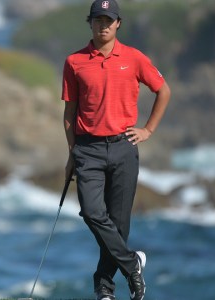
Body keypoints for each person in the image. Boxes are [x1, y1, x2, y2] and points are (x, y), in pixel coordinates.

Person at [61, 1, 171, 300]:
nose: (103, 25)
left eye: (109, 20)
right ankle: (132, 264)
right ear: (91, 22)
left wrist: (148, 129)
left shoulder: (134, 58)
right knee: (93, 212)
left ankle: (105, 290)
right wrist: (72, 154)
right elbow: (69, 114)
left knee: (119, 227)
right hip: (88, 150)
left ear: (118, 23)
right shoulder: (75, 62)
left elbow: (163, 90)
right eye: (98, 19)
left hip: (124, 147)